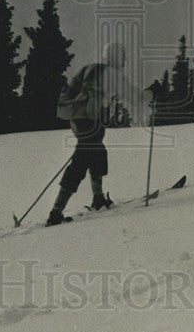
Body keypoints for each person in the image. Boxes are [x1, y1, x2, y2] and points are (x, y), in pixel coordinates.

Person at [46, 41, 153, 226]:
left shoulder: (92, 68)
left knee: (97, 154)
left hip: (80, 119)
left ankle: (98, 199)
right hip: (90, 120)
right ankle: (55, 213)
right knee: (81, 161)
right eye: (123, 57)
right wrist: (152, 92)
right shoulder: (112, 73)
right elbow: (135, 98)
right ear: (116, 56)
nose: (125, 61)